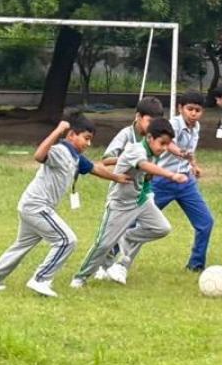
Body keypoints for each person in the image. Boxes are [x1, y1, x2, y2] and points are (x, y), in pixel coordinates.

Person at [0, 114, 127, 297]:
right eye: (86, 138)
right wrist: (57, 130)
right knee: (67, 240)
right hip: (37, 207)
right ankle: (40, 280)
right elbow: (39, 155)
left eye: (90, 140)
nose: (88, 144)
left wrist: (117, 178)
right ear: (71, 135)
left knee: (21, 246)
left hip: (31, 206)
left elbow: (95, 168)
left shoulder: (76, 157)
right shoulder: (59, 151)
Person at [71, 117, 188, 288]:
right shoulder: (136, 149)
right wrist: (171, 175)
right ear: (149, 138)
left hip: (141, 201)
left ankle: (125, 237)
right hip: (120, 204)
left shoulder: (154, 153)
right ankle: (80, 277)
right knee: (103, 245)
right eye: (162, 143)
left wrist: (148, 187)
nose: (164, 149)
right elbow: (143, 165)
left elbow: (146, 176)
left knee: (162, 228)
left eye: (167, 144)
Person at [139, 91, 215, 273]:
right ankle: (111, 254)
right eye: (190, 109)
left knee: (206, 222)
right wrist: (181, 153)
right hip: (162, 180)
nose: (193, 113)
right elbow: (169, 144)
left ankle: (196, 265)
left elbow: (190, 151)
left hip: (185, 182)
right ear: (180, 108)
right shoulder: (173, 124)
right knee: (137, 221)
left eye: (198, 110)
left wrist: (194, 165)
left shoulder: (196, 127)